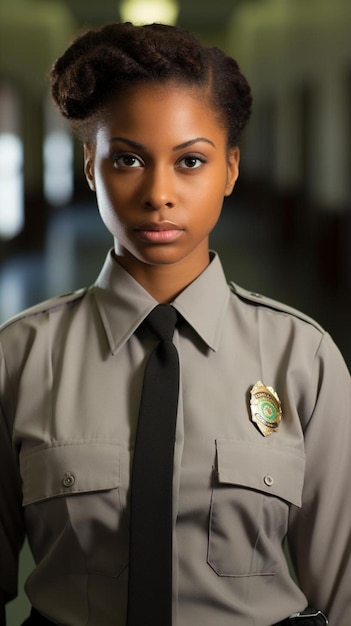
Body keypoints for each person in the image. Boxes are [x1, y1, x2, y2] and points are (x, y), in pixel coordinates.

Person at [0, 21, 350, 626]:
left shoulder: (304, 359)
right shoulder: (21, 357)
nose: (159, 193)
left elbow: (344, 594)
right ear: (91, 167)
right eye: (128, 159)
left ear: (231, 170)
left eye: (190, 161)